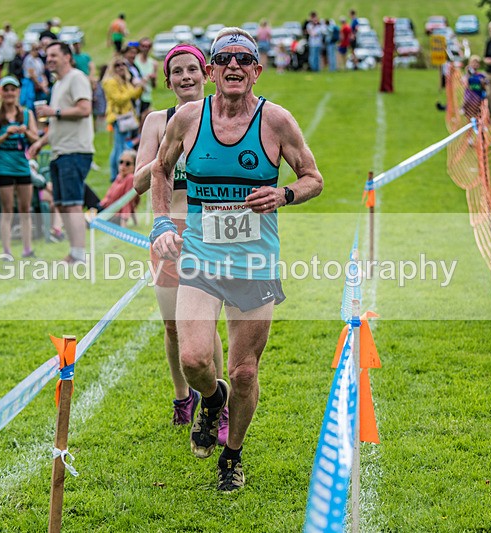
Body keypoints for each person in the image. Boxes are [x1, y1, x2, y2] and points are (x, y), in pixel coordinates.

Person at [150, 28, 323, 492]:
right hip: (201, 258)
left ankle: (232, 455)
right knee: (193, 359)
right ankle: (212, 399)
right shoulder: (188, 119)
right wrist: (162, 223)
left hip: (254, 263)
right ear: (211, 70)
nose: (233, 65)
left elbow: (313, 178)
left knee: (244, 371)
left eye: (243, 59)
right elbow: (160, 169)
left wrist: (284, 194)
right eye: (224, 58)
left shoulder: (276, 121)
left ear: (256, 70)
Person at [133, 43, 227, 435]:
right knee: (173, 326)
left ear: (206, 74)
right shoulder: (158, 121)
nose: (185, 77)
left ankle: (217, 404)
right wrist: (168, 153)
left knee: (204, 324)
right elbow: (139, 183)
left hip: (210, 233)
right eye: (177, 71)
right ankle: (182, 395)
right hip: (168, 234)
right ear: (168, 80)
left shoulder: (222, 118)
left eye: (192, 69)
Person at [29, 41, 95, 265]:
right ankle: (73, 251)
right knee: (62, 203)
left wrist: (54, 111)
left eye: (54, 55)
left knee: (73, 203)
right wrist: (40, 142)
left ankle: (80, 254)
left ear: (67, 57)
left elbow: (84, 109)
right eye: (47, 56)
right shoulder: (58, 84)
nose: (48, 59)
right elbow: (58, 121)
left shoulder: (76, 78)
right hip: (59, 151)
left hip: (75, 150)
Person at [0, 76, 39, 259]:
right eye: (6, 90)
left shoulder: (27, 114)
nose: (9, 93)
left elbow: (36, 139)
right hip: (4, 165)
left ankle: (27, 248)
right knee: (7, 208)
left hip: (22, 165)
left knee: (25, 208)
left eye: (12, 89)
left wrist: (26, 131)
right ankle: (7, 251)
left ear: (17, 92)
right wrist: (5, 135)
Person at [102, 55, 143, 181]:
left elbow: (134, 95)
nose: (120, 67)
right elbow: (119, 99)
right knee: (120, 147)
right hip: (118, 117)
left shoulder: (124, 80)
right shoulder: (110, 82)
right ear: (112, 67)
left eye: (123, 64)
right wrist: (133, 90)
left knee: (120, 146)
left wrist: (140, 86)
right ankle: (119, 174)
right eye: (117, 65)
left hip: (127, 117)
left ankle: (117, 175)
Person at [100, 149, 139, 226]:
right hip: (104, 208)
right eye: (121, 162)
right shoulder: (119, 176)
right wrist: (136, 222)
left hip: (112, 215)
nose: (123, 166)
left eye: (127, 164)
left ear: (134, 166)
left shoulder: (130, 178)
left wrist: (123, 222)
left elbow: (127, 200)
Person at [134, 38, 157, 121]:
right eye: (143, 46)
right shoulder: (135, 60)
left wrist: (153, 78)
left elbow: (154, 85)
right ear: (139, 47)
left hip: (147, 96)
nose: (146, 48)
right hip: (135, 95)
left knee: (144, 120)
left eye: (148, 46)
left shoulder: (153, 63)